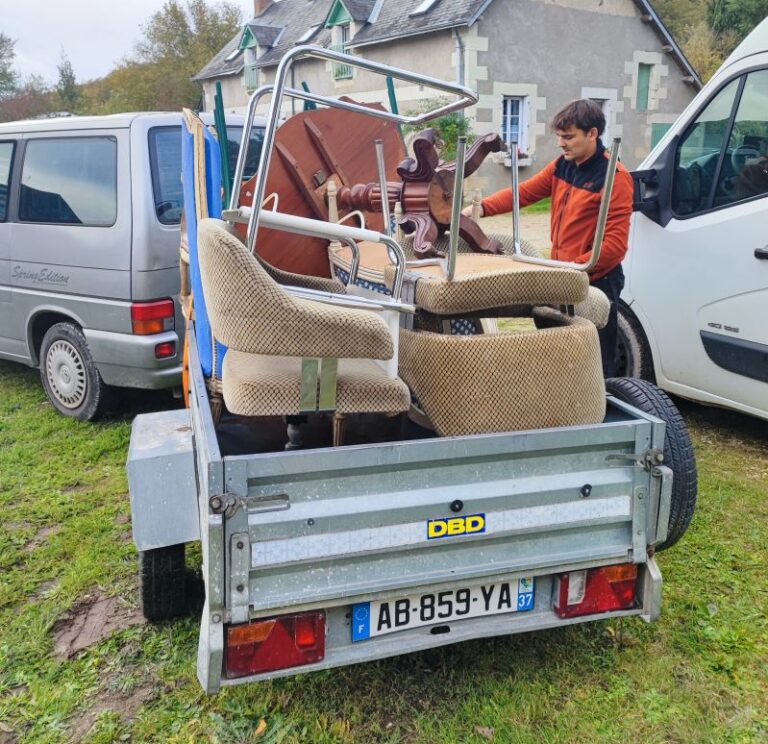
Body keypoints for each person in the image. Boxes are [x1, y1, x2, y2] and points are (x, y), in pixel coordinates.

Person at [465, 99, 634, 377]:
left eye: (569, 137)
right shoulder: (562, 166)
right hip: (564, 274)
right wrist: (480, 209)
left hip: (594, 281)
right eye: (559, 137)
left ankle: (600, 406)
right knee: (558, 348)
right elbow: (525, 192)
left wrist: (573, 271)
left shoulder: (615, 177)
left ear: (592, 134)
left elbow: (614, 247)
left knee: (593, 357)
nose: (561, 144)